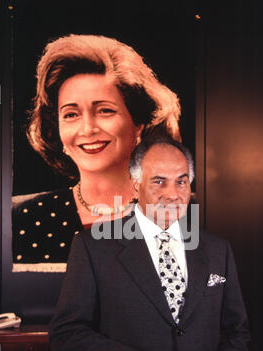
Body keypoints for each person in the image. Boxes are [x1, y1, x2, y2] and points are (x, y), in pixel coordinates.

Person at [49, 132, 250, 351]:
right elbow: (66, 333)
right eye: (159, 181)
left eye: (181, 182)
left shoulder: (217, 250)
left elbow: (237, 333)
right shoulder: (93, 247)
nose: (173, 194)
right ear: (135, 185)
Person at [12, 34, 181, 266]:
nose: (87, 129)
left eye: (105, 111)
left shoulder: (183, 208)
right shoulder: (21, 218)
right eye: (71, 114)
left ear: (139, 123)